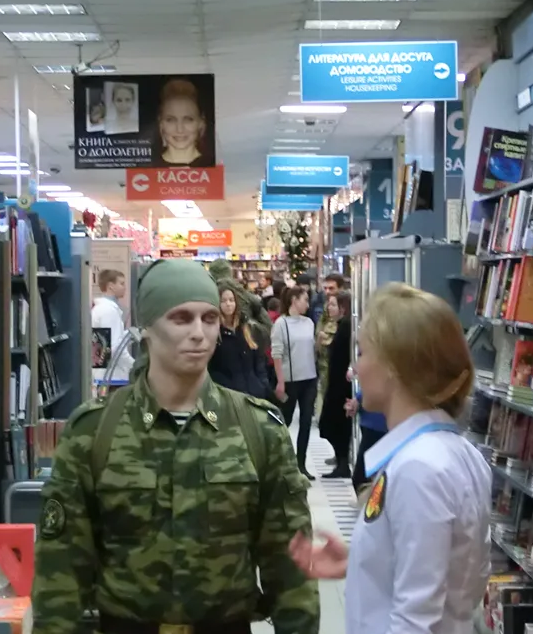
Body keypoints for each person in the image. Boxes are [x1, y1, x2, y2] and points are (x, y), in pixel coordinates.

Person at [34, 259, 319, 634]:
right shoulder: (94, 431)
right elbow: (60, 567)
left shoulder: (259, 428)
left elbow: (290, 561)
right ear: (148, 328)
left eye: (209, 318)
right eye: (181, 319)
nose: (199, 333)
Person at [288, 282, 492, 634]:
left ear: (395, 367)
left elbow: (416, 620)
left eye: (363, 353)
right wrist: (364, 563)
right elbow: (447, 573)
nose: (356, 367)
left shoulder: (418, 470)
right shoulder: (457, 454)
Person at [270, 286, 318, 480]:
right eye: (305, 300)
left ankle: (301, 464)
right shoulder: (281, 324)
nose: (307, 304)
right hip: (291, 380)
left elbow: (311, 348)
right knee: (286, 420)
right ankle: (278, 461)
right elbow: (277, 354)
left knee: (306, 422)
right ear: (294, 300)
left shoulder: (309, 323)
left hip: (310, 378)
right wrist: (280, 381)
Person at [209, 279, 270, 399]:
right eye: (223, 301)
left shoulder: (245, 328)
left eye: (231, 300)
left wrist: (262, 384)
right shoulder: (215, 332)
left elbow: (258, 359)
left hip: (254, 393)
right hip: (230, 396)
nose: (228, 304)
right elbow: (213, 369)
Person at [318, 291, 352, 479]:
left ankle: (343, 462)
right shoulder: (342, 325)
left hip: (341, 384)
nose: (329, 308)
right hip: (336, 381)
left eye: (333, 304)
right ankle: (341, 461)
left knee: (337, 423)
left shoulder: (346, 325)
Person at [208, 259, 272, 335]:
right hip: (246, 336)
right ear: (230, 273)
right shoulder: (242, 292)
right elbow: (268, 326)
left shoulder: (209, 295)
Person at [91, 268, 134, 383]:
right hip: (112, 376)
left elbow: (106, 340)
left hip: (104, 374)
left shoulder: (103, 309)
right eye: (121, 283)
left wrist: (129, 335)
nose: (125, 287)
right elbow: (115, 347)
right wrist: (134, 366)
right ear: (111, 286)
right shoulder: (108, 311)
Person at [156, 78, 209, 166]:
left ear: (201, 123)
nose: (179, 129)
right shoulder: (146, 168)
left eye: (188, 119)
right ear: (161, 124)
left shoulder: (212, 164)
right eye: (171, 120)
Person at [347, 391, 389, 494]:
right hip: (372, 418)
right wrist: (358, 398)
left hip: (379, 420)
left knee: (362, 478)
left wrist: (359, 397)